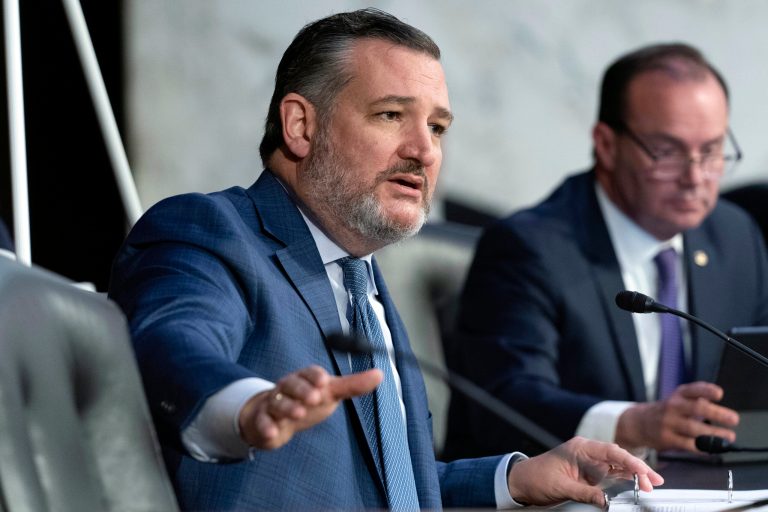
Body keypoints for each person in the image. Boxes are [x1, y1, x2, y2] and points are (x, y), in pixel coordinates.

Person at [109, 9, 662, 510]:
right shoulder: (212, 232)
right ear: (301, 126)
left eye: (438, 127)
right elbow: (172, 343)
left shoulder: (362, 280)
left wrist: (513, 478)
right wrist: (248, 407)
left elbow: (384, 489)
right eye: (391, 114)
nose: (423, 150)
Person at [444, 43, 768, 461]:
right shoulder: (529, 247)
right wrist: (633, 424)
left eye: (711, 151)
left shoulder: (734, 235)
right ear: (607, 145)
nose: (695, 178)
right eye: (667, 152)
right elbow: (506, 402)